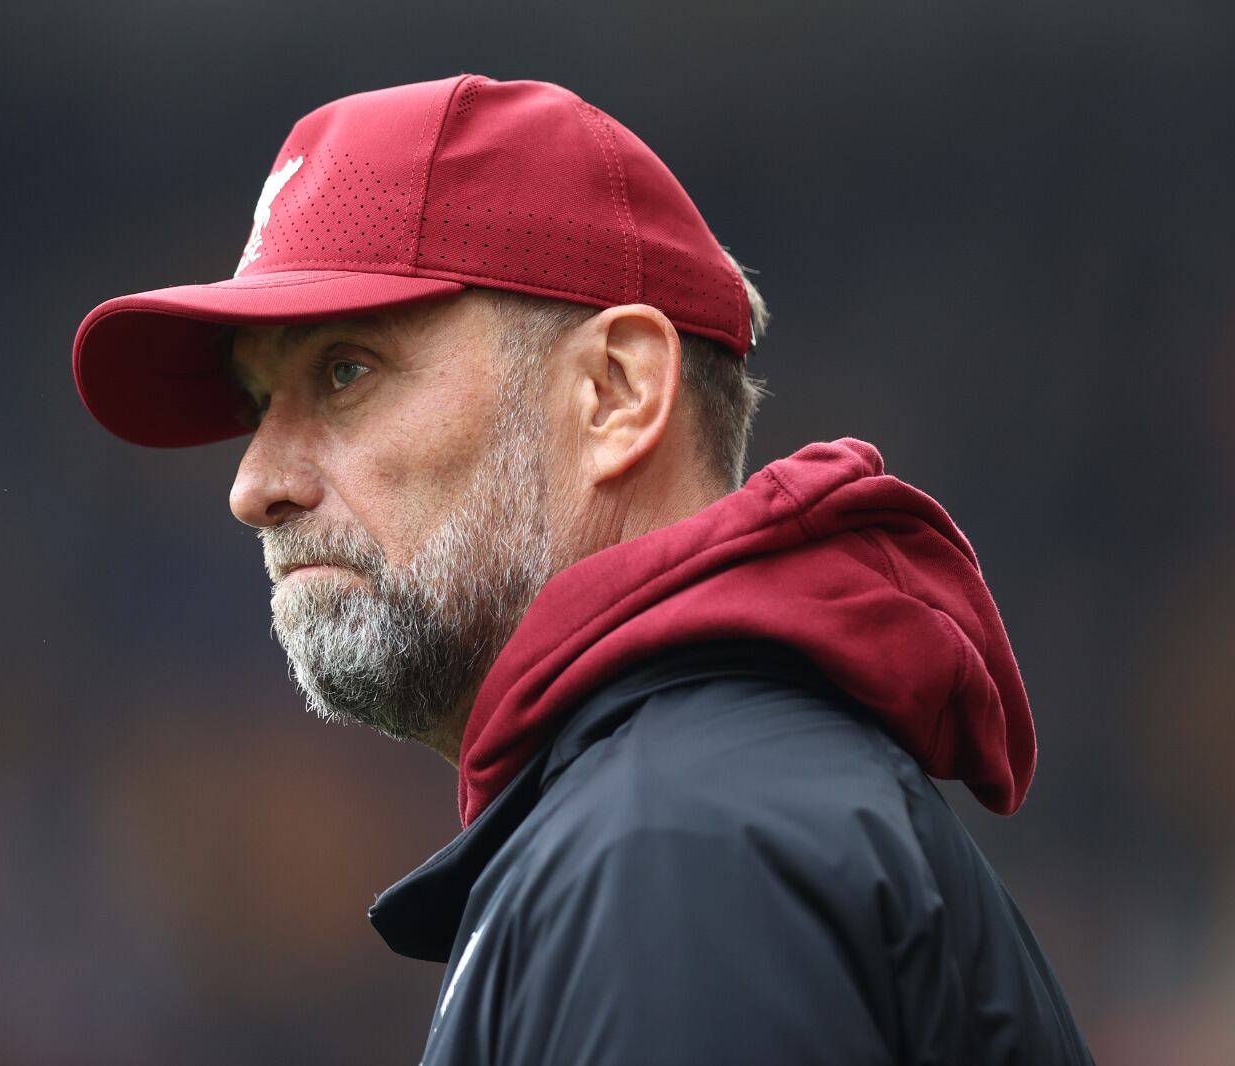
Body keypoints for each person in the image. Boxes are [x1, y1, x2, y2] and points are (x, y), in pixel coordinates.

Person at [71, 75, 1094, 1065]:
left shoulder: (679, 845)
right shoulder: (691, 806)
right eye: (258, 406)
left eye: (346, 370)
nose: (254, 484)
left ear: (613, 392)